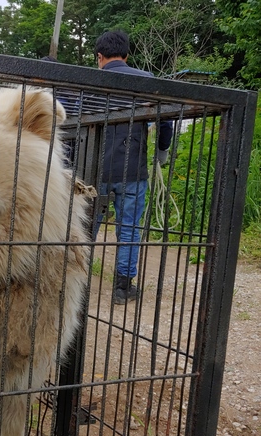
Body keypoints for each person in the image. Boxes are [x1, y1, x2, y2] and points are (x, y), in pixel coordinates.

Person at [94, 30, 173, 304]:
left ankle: (70, 281)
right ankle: (123, 287)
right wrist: (162, 151)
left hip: (95, 171)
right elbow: (165, 121)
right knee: (129, 227)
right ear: (127, 56)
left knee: (84, 227)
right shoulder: (146, 81)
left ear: (99, 57)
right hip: (133, 169)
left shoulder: (92, 81)